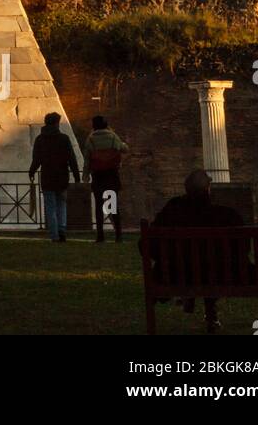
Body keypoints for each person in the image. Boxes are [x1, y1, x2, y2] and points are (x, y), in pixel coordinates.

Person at [144, 170, 249, 333]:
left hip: (176, 275)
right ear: (208, 189)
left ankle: (194, 303)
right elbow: (243, 249)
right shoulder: (226, 215)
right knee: (210, 267)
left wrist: (167, 261)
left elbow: (147, 246)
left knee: (197, 267)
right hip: (221, 275)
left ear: (186, 189)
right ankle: (210, 313)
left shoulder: (172, 211)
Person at [28, 112, 80, 242]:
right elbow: (71, 159)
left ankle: (54, 235)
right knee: (61, 204)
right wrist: (76, 175)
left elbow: (37, 159)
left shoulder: (40, 139)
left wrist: (32, 171)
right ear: (57, 123)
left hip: (47, 177)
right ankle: (62, 230)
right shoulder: (64, 138)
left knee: (50, 207)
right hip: (62, 176)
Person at [82, 115, 129, 243]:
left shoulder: (90, 140)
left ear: (94, 126)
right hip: (111, 175)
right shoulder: (113, 136)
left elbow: (87, 160)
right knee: (112, 205)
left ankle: (100, 235)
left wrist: (85, 176)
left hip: (98, 176)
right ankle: (118, 235)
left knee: (98, 206)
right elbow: (124, 149)